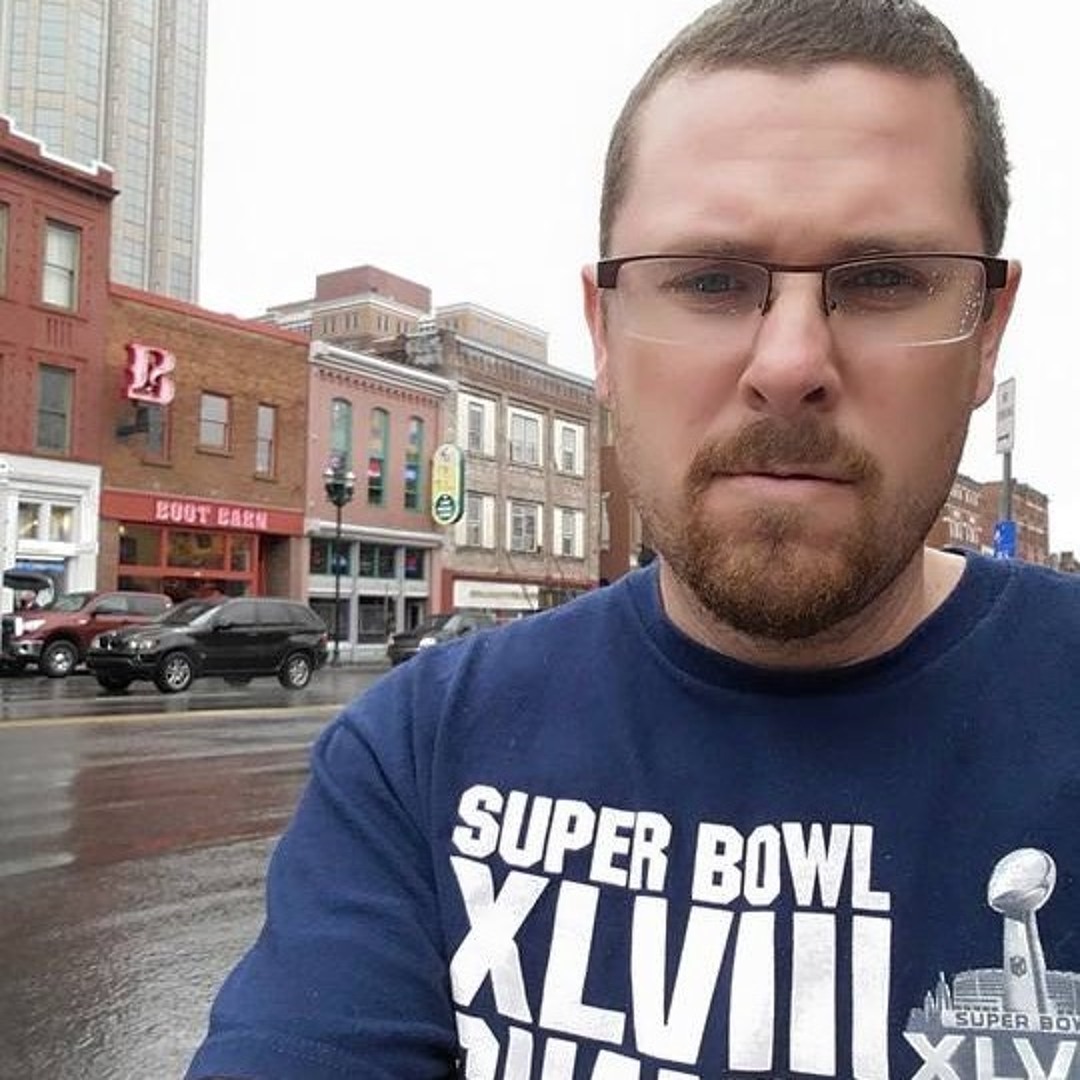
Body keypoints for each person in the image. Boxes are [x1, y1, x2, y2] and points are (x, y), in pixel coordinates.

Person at [188, 2, 1080, 1077]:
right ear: (603, 333)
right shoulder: (416, 756)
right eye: (709, 281)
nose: (789, 363)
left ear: (987, 331)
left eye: (885, 280)